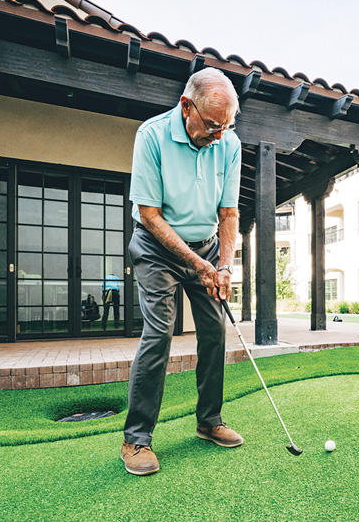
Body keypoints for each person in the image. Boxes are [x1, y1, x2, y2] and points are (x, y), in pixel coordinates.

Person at [121, 68, 242, 476]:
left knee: (214, 329)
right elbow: (150, 216)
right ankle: (136, 440)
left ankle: (209, 421)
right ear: (186, 107)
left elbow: (228, 213)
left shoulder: (229, 143)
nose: (219, 135)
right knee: (159, 332)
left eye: (227, 126)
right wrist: (198, 264)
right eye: (212, 125)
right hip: (158, 249)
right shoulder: (152, 136)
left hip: (206, 248)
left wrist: (223, 265)